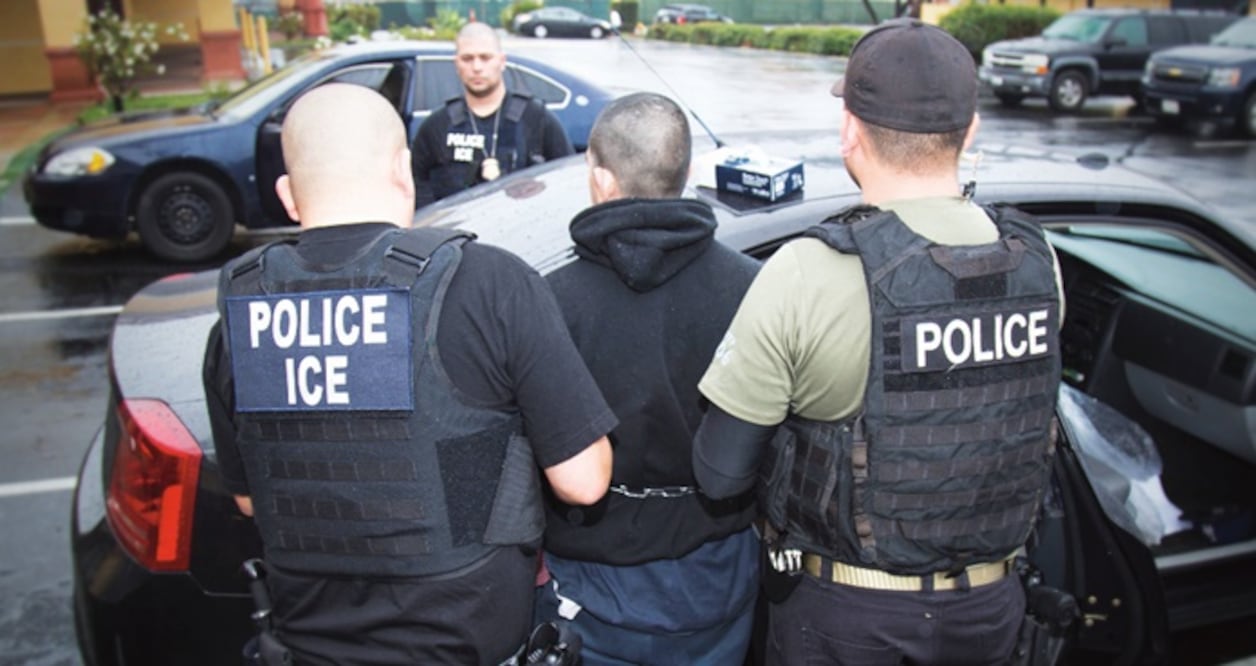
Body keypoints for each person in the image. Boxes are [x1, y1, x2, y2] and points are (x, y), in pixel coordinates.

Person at [201, 83, 616, 666]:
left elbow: (250, 502)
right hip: (468, 646)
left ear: (288, 196)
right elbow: (584, 481)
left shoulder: (240, 320)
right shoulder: (486, 284)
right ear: (404, 171)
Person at [692, 20, 1065, 665]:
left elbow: (719, 473)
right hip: (992, 611)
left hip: (849, 622)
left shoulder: (808, 271)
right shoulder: (1039, 262)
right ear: (970, 130)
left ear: (849, 131)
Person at [535, 92, 761, 665]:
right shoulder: (756, 290)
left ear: (601, 178)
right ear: (684, 174)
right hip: (720, 580)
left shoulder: (549, 303)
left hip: (593, 592)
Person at [412, 22, 574, 207]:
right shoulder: (437, 126)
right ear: (457, 64)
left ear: (501, 61)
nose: (477, 67)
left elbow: (565, 180)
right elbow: (417, 186)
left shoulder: (536, 118)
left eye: (485, 57)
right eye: (467, 58)